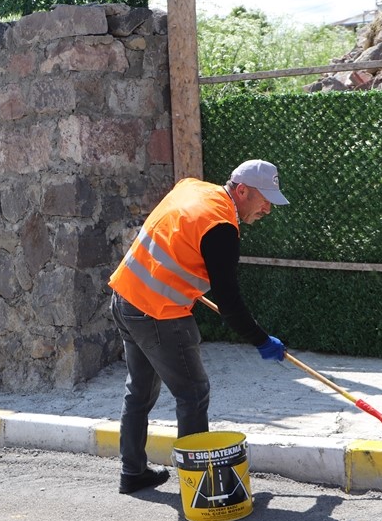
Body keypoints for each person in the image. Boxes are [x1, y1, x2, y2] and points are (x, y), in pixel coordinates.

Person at [108, 159, 290, 494]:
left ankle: (132, 472)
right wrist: (261, 340)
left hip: (125, 297)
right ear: (242, 190)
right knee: (192, 393)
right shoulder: (221, 226)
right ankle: (197, 487)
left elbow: (174, 243)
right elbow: (229, 302)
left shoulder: (193, 188)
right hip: (158, 314)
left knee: (140, 391)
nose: (267, 209)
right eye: (264, 199)